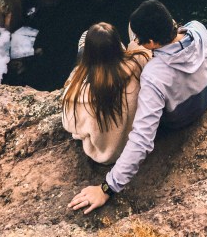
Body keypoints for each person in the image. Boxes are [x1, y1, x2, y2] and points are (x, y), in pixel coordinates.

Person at [68, 0, 207, 214]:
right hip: (205, 96)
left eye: (139, 39)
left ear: (153, 42)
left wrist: (107, 187)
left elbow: (142, 139)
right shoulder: (198, 29)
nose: (135, 41)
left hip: (179, 119)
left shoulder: (154, 75)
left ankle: (104, 59)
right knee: (134, 35)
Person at [62, 22, 150, 164]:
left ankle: (86, 57)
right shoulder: (139, 63)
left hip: (106, 156)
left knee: (84, 39)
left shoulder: (77, 94)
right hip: (137, 144)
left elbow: (69, 125)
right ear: (118, 48)